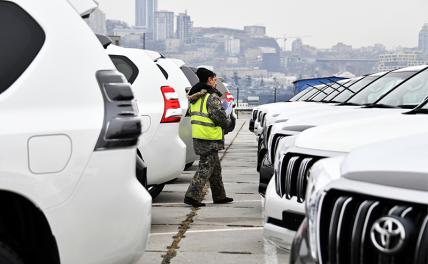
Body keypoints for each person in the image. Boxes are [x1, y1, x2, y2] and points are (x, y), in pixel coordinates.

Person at [184, 68, 234, 207]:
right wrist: (228, 119)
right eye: (215, 79)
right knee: (205, 167)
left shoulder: (195, 97)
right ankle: (192, 196)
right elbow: (219, 118)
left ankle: (219, 196)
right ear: (210, 79)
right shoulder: (211, 97)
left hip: (199, 136)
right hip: (209, 137)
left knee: (215, 168)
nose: (216, 82)